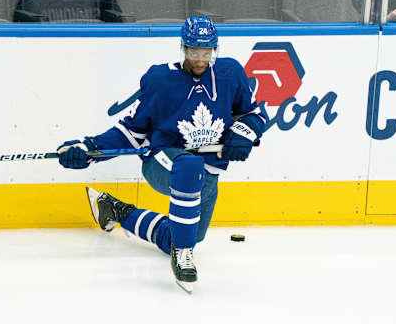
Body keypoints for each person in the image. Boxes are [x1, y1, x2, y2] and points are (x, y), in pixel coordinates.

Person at [56, 16, 266, 292]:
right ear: (183, 48)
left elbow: (254, 113)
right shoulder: (160, 80)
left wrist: (243, 132)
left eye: (207, 52)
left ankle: (116, 210)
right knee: (189, 168)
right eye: (194, 52)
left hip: (206, 174)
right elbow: (132, 133)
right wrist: (88, 147)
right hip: (162, 161)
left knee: (185, 235)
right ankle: (183, 258)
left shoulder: (231, 73)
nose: (200, 60)